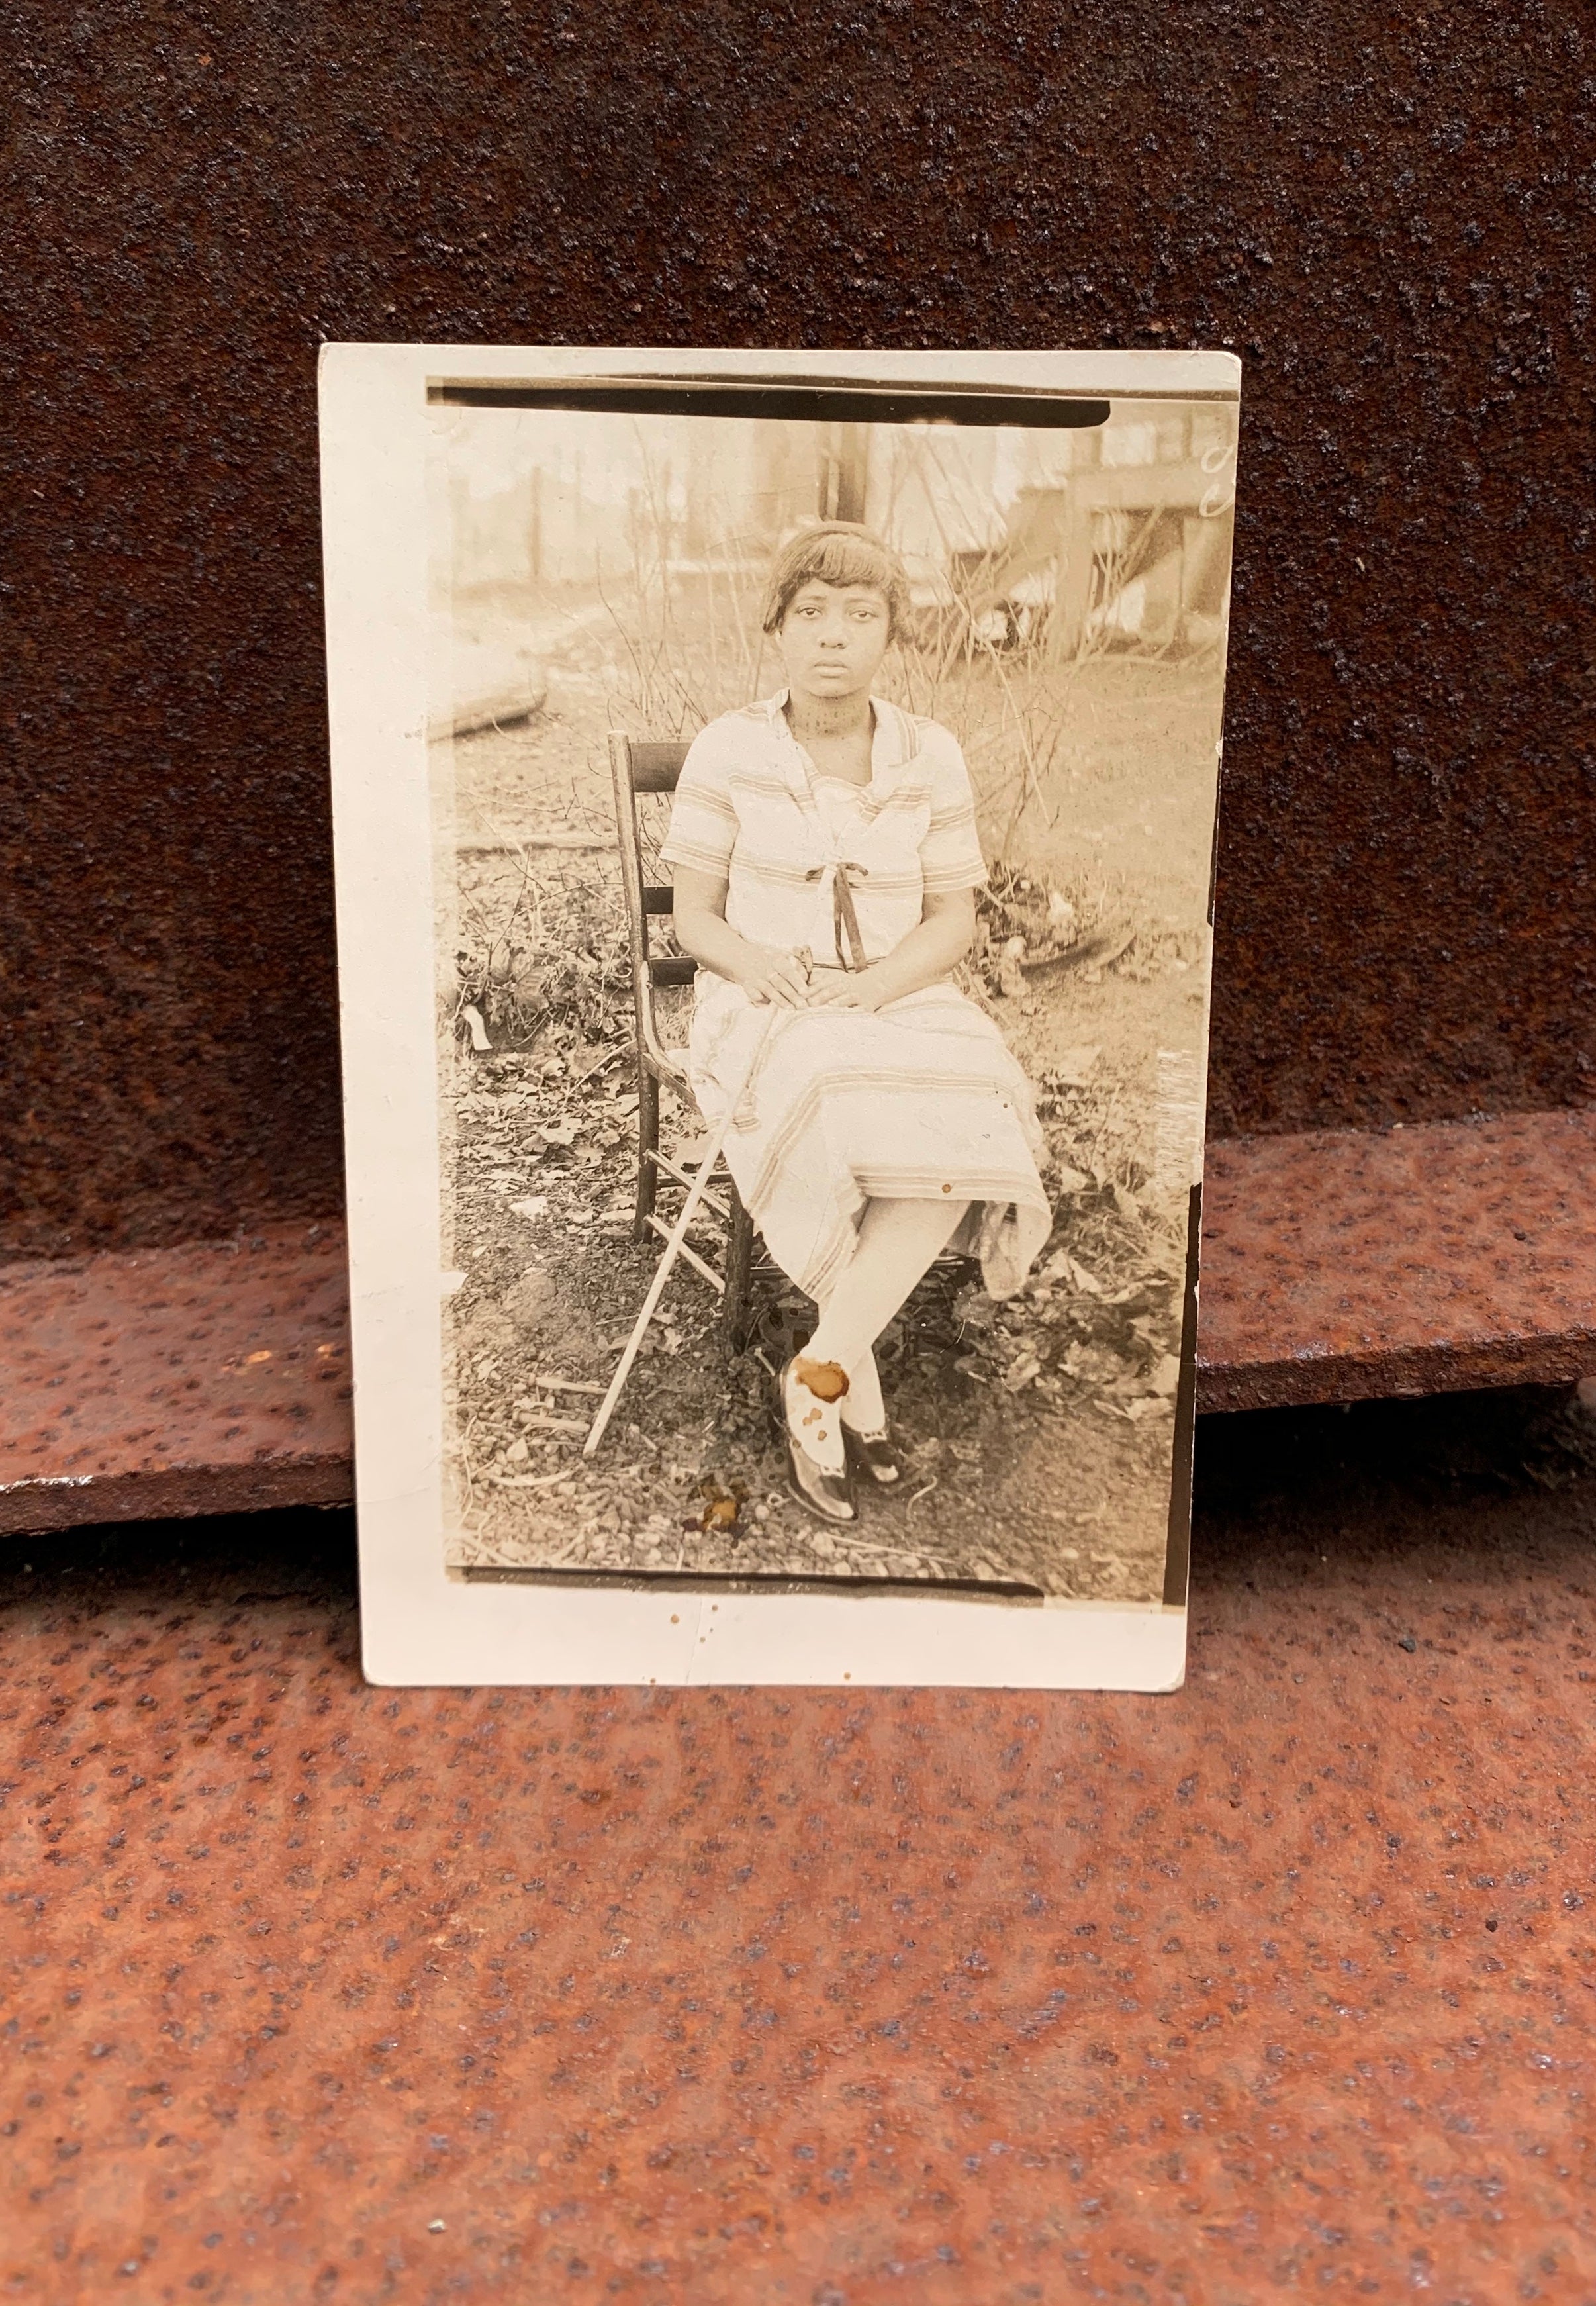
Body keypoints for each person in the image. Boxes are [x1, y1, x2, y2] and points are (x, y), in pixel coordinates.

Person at [661, 522, 1051, 1524]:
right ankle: (851, 1389)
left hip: (897, 990)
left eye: (861, 615)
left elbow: (954, 917)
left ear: (891, 635)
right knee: (837, 1091)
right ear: (779, 627)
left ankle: (824, 1368)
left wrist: (876, 987)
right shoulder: (731, 747)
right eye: (813, 613)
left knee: (979, 1112)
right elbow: (697, 918)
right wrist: (765, 966)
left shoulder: (931, 753)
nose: (834, 637)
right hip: (762, 998)